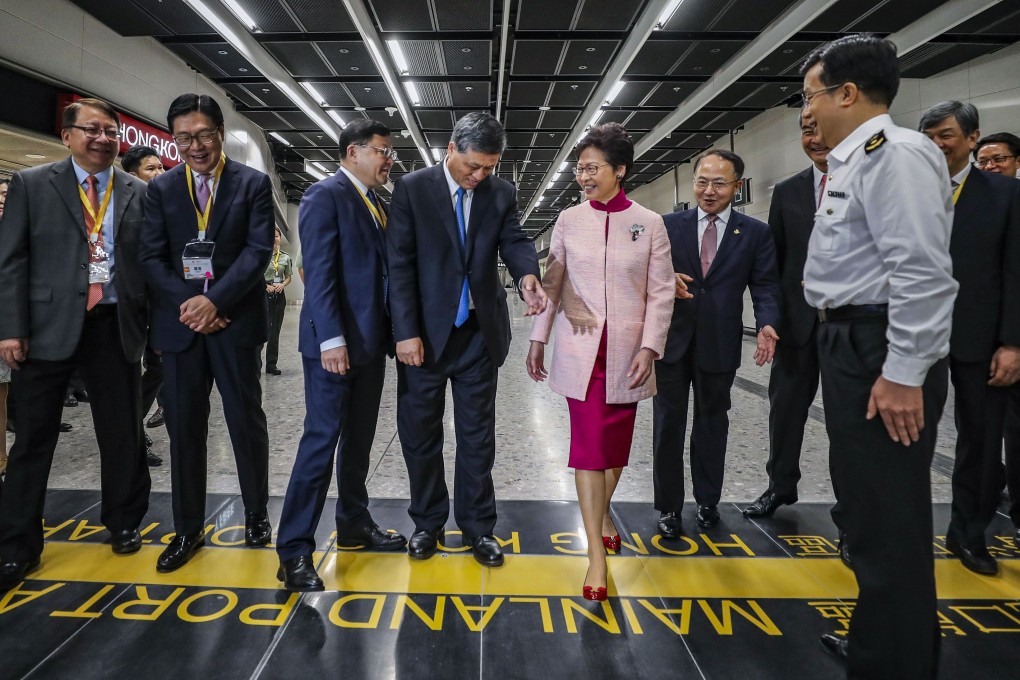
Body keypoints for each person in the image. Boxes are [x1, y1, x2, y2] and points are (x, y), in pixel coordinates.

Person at [801, 35, 958, 677]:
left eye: (811, 94)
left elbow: (921, 272)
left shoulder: (893, 154)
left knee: (888, 521)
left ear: (847, 92)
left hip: (877, 350)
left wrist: (902, 373)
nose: (806, 108)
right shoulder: (855, 161)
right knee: (868, 513)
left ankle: (893, 663)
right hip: (853, 342)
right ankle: (883, 644)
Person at [0, 97, 152, 591]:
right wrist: (9, 327)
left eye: (110, 131)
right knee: (32, 440)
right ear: (66, 135)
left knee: (121, 431)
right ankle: (18, 544)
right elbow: (12, 261)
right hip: (46, 326)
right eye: (91, 129)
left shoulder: (136, 191)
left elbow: (148, 262)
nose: (103, 138)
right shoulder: (30, 184)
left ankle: (124, 521)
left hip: (114, 324)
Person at [387, 112, 547, 567]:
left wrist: (527, 275)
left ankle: (479, 527)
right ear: (450, 149)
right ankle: (428, 522)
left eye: (489, 168)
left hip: (479, 332)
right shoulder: (413, 189)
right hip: (424, 338)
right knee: (420, 434)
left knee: (477, 437)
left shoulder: (500, 192)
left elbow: (514, 240)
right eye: (472, 166)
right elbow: (398, 266)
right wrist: (405, 332)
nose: (479, 176)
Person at [527, 123, 673, 600]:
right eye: (579, 169)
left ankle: (603, 511)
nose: (583, 177)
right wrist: (538, 339)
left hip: (628, 356)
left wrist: (651, 347)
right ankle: (596, 556)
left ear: (619, 170)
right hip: (580, 353)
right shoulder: (569, 220)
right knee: (589, 451)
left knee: (614, 454)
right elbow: (555, 284)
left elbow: (661, 292)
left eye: (592, 169)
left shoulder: (649, 223)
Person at [139, 93, 274, 573]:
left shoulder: (252, 184)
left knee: (245, 423)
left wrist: (214, 301)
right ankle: (187, 528)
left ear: (221, 132)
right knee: (184, 432)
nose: (194, 146)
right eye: (183, 137)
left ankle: (257, 515)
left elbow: (257, 253)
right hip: (181, 329)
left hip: (233, 323)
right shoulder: (161, 189)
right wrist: (191, 304)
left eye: (203, 134)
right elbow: (151, 257)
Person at [276, 119, 407, 592]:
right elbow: (319, 270)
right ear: (353, 152)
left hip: (369, 345)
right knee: (320, 441)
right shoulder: (323, 196)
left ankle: (353, 521)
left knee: (359, 440)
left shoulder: (377, 203)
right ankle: (292, 549)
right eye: (382, 151)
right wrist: (331, 338)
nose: (388, 159)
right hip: (335, 347)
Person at [652, 149, 780, 536]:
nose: (709, 190)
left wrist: (767, 323)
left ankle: (708, 501)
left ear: (737, 187)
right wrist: (663, 280)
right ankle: (669, 507)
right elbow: (645, 275)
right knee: (667, 425)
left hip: (720, 343)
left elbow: (765, 284)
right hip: (672, 342)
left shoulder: (755, 232)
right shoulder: (667, 226)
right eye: (702, 181)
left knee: (712, 424)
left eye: (719, 183)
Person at [920, 102, 1020, 576]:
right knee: (905, 438)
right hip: (912, 335)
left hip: (981, 337)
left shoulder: (1004, 194)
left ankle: (969, 533)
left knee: (980, 439)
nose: (938, 144)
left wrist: (1012, 343)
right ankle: (898, 531)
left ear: (972, 138)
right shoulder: (905, 191)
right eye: (929, 135)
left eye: (946, 135)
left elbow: (1015, 272)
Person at [744, 111, 833, 516]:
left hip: (850, 328)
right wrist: (772, 320)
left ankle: (850, 511)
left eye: (824, 129)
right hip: (797, 327)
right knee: (785, 412)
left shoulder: (872, 183)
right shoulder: (787, 191)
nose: (816, 138)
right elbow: (774, 266)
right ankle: (780, 486)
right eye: (807, 131)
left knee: (846, 424)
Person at [122, 144, 167, 466]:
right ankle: (127, 435)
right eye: (151, 169)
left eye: (162, 167)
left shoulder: (168, 208)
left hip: (160, 303)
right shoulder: (120, 210)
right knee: (123, 372)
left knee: (158, 366)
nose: (160, 174)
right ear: (132, 175)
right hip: (124, 303)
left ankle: (133, 428)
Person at [263, 226, 293, 376]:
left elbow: (288, 277)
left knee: (275, 332)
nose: (274, 238)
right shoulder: (262, 255)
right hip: (263, 294)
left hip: (279, 296)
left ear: (279, 238)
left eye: (276, 236)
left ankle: (271, 364)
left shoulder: (285, 257)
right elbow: (255, 274)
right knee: (263, 330)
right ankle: (256, 363)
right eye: (272, 236)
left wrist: (282, 284)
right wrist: (265, 286)